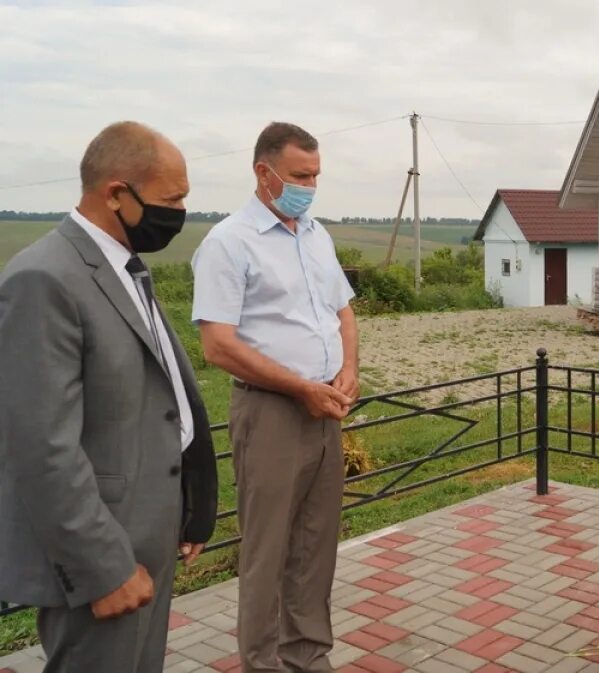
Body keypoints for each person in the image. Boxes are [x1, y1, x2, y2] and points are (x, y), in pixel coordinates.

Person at [0, 121, 217, 673]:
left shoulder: (125, 268)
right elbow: (42, 446)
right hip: (105, 549)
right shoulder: (43, 278)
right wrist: (102, 567)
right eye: (172, 200)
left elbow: (160, 394)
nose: (180, 212)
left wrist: (191, 505)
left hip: (148, 529)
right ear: (116, 193)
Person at [191, 121, 358, 673]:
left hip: (326, 408)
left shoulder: (316, 234)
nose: (310, 186)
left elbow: (343, 311)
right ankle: (262, 662)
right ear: (264, 173)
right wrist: (300, 387)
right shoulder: (229, 242)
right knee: (267, 551)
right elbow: (218, 345)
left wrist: (348, 369)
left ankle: (309, 656)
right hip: (271, 412)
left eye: (316, 175)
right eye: (299, 175)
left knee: (316, 543)